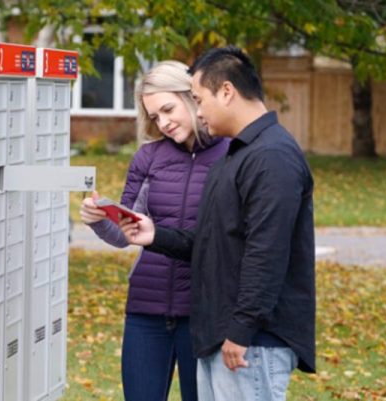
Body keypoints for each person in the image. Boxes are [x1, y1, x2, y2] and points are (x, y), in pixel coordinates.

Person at [119, 47, 316, 401]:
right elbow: (212, 243)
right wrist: (155, 236)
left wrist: (241, 331)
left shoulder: (271, 156)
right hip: (224, 336)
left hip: (249, 342)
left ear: (226, 92)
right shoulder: (239, 156)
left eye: (198, 98)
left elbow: (266, 254)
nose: (198, 109)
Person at [79, 60, 229, 401]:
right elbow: (124, 233)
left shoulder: (232, 154)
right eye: (154, 116)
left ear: (192, 96)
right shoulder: (148, 158)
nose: (163, 123)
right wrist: (100, 218)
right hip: (147, 310)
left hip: (203, 312)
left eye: (168, 109)